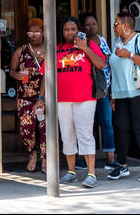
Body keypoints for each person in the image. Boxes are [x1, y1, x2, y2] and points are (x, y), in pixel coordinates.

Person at [44, 15, 105, 188]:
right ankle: (71, 172)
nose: (70, 32)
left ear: (78, 30)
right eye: (66, 29)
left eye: (73, 29)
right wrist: (42, 98)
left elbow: (101, 64)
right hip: (62, 99)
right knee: (67, 135)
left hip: (85, 97)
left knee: (85, 133)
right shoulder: (56, 49)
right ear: (62, 32)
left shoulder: (89, 45)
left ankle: (91, 174)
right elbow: (46, 74)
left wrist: (85, 48)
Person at [107, 7, 140, 182]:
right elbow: (116, 71)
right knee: (120, 127)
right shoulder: (118, 42)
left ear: (126, 26)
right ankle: (122, 166)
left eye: (116, 24)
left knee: (139, 128)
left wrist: (130, 55)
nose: (114, 27)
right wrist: (113, 95)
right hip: (122, 94)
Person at [9, 18, 47, 172]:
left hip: (44, 96)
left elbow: (50, 74)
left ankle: (45, 158)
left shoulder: (50, 51)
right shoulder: (21, 51)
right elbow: (11, 70)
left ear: (43, 33)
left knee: (45, 128)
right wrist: (16, 75)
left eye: (37, 31)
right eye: (31, 31)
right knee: (26, 127)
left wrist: (42, 98)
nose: (33, 35)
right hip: (25, 96)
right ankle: (32, 153)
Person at [81, 11, 115, 167]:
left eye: (93, 24)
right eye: (87, 24)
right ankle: (84, 160)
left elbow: (109, 63)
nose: (91, 27)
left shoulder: (102, 41)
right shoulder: (80, 42)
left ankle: (110, 159)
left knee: (107, 123)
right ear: (83, 27)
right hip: (86, 89)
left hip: (103, 88)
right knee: (85, 125)